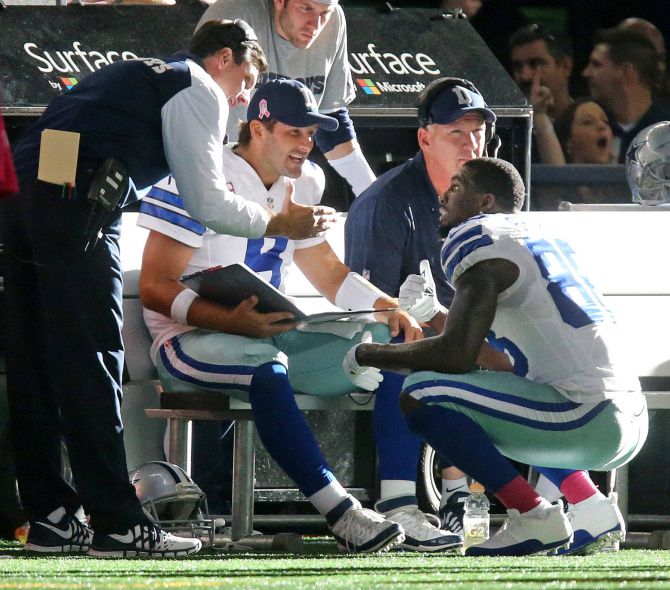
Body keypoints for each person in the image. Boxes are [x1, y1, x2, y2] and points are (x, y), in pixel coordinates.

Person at [1, 20, 333, 558]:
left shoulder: (132, 76)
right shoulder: (196, 87)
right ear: (223, 58)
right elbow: (208, 205)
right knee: (92, 360)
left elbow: (55, 139)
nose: (244, 98)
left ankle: (51, 515)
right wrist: (279, 224)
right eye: (246, 80)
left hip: (22, 199)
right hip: (76, 203)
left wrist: (50, 203)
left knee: (34, 362)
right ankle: (117, 520)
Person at [138, 78, 463, 553]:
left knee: (394, 342)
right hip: (189, 339)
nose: (308, 144)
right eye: (295, 132)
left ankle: (400, 506)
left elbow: (328, 273)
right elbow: (153, 287)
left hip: (272, 330)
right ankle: (340, 511)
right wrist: (234, 321)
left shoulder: (306, 181)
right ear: (258, 128)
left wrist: (387, 305)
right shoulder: (201, 178)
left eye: (312, 133)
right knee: (265, 367)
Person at [345, 157, 648, 556]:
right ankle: (590, 507)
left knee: (423, 391)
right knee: (494, 397)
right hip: (629, 417)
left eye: (456, 187)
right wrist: (436, 316)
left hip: (586, 416)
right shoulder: (538, 235)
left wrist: (368, 353)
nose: (444, 195)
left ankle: (533, 517)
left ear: (485, 202)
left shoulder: (476, 235)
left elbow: (457, 356)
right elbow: (501, 366)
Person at [344, 77, 503, 536]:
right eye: (457, 131)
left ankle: (515, 500)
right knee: (405, 340)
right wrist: (441, 324)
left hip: (461, 336)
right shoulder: (387, 201)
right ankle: (399, 504)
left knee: (527, 349)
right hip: (389, 342)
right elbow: (378, 309)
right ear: (425, 137)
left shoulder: (490, 196)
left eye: (478, 131)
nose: (472, 143)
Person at [196, 0, 376, 199]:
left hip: (279, 176)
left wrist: (373, 197)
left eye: (324, 13)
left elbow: (331, 120)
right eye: (306, 8)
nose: (315, 25)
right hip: (218, 169)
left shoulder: (334, 20)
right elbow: (195, 104)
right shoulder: (232, 17)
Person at [583, 27, 670, 163]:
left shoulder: (666, 133)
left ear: (625, 71)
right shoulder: (590, 131)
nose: (586, 73)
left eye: (596, 64)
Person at [509, 23, 574, 123]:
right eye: (518, 66)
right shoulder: (506, 129)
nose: (525, 76)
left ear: (566, 67)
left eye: (535, 64)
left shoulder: (590, 123)